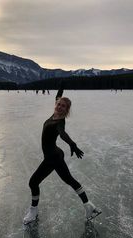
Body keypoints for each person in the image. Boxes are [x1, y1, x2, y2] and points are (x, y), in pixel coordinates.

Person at [23, 88, 101, 224]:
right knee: (69, 180)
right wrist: (62, 84)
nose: (59, 106)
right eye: (58, 104)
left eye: (63, 106)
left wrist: (72, 144)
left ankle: (33, 211)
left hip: (52, 158)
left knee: (33, 182)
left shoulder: (59, 122)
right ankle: (89, 206)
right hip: (56, 154)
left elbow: (63, 134)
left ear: (66, 110)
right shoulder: (54, 114)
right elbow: (58, 96)